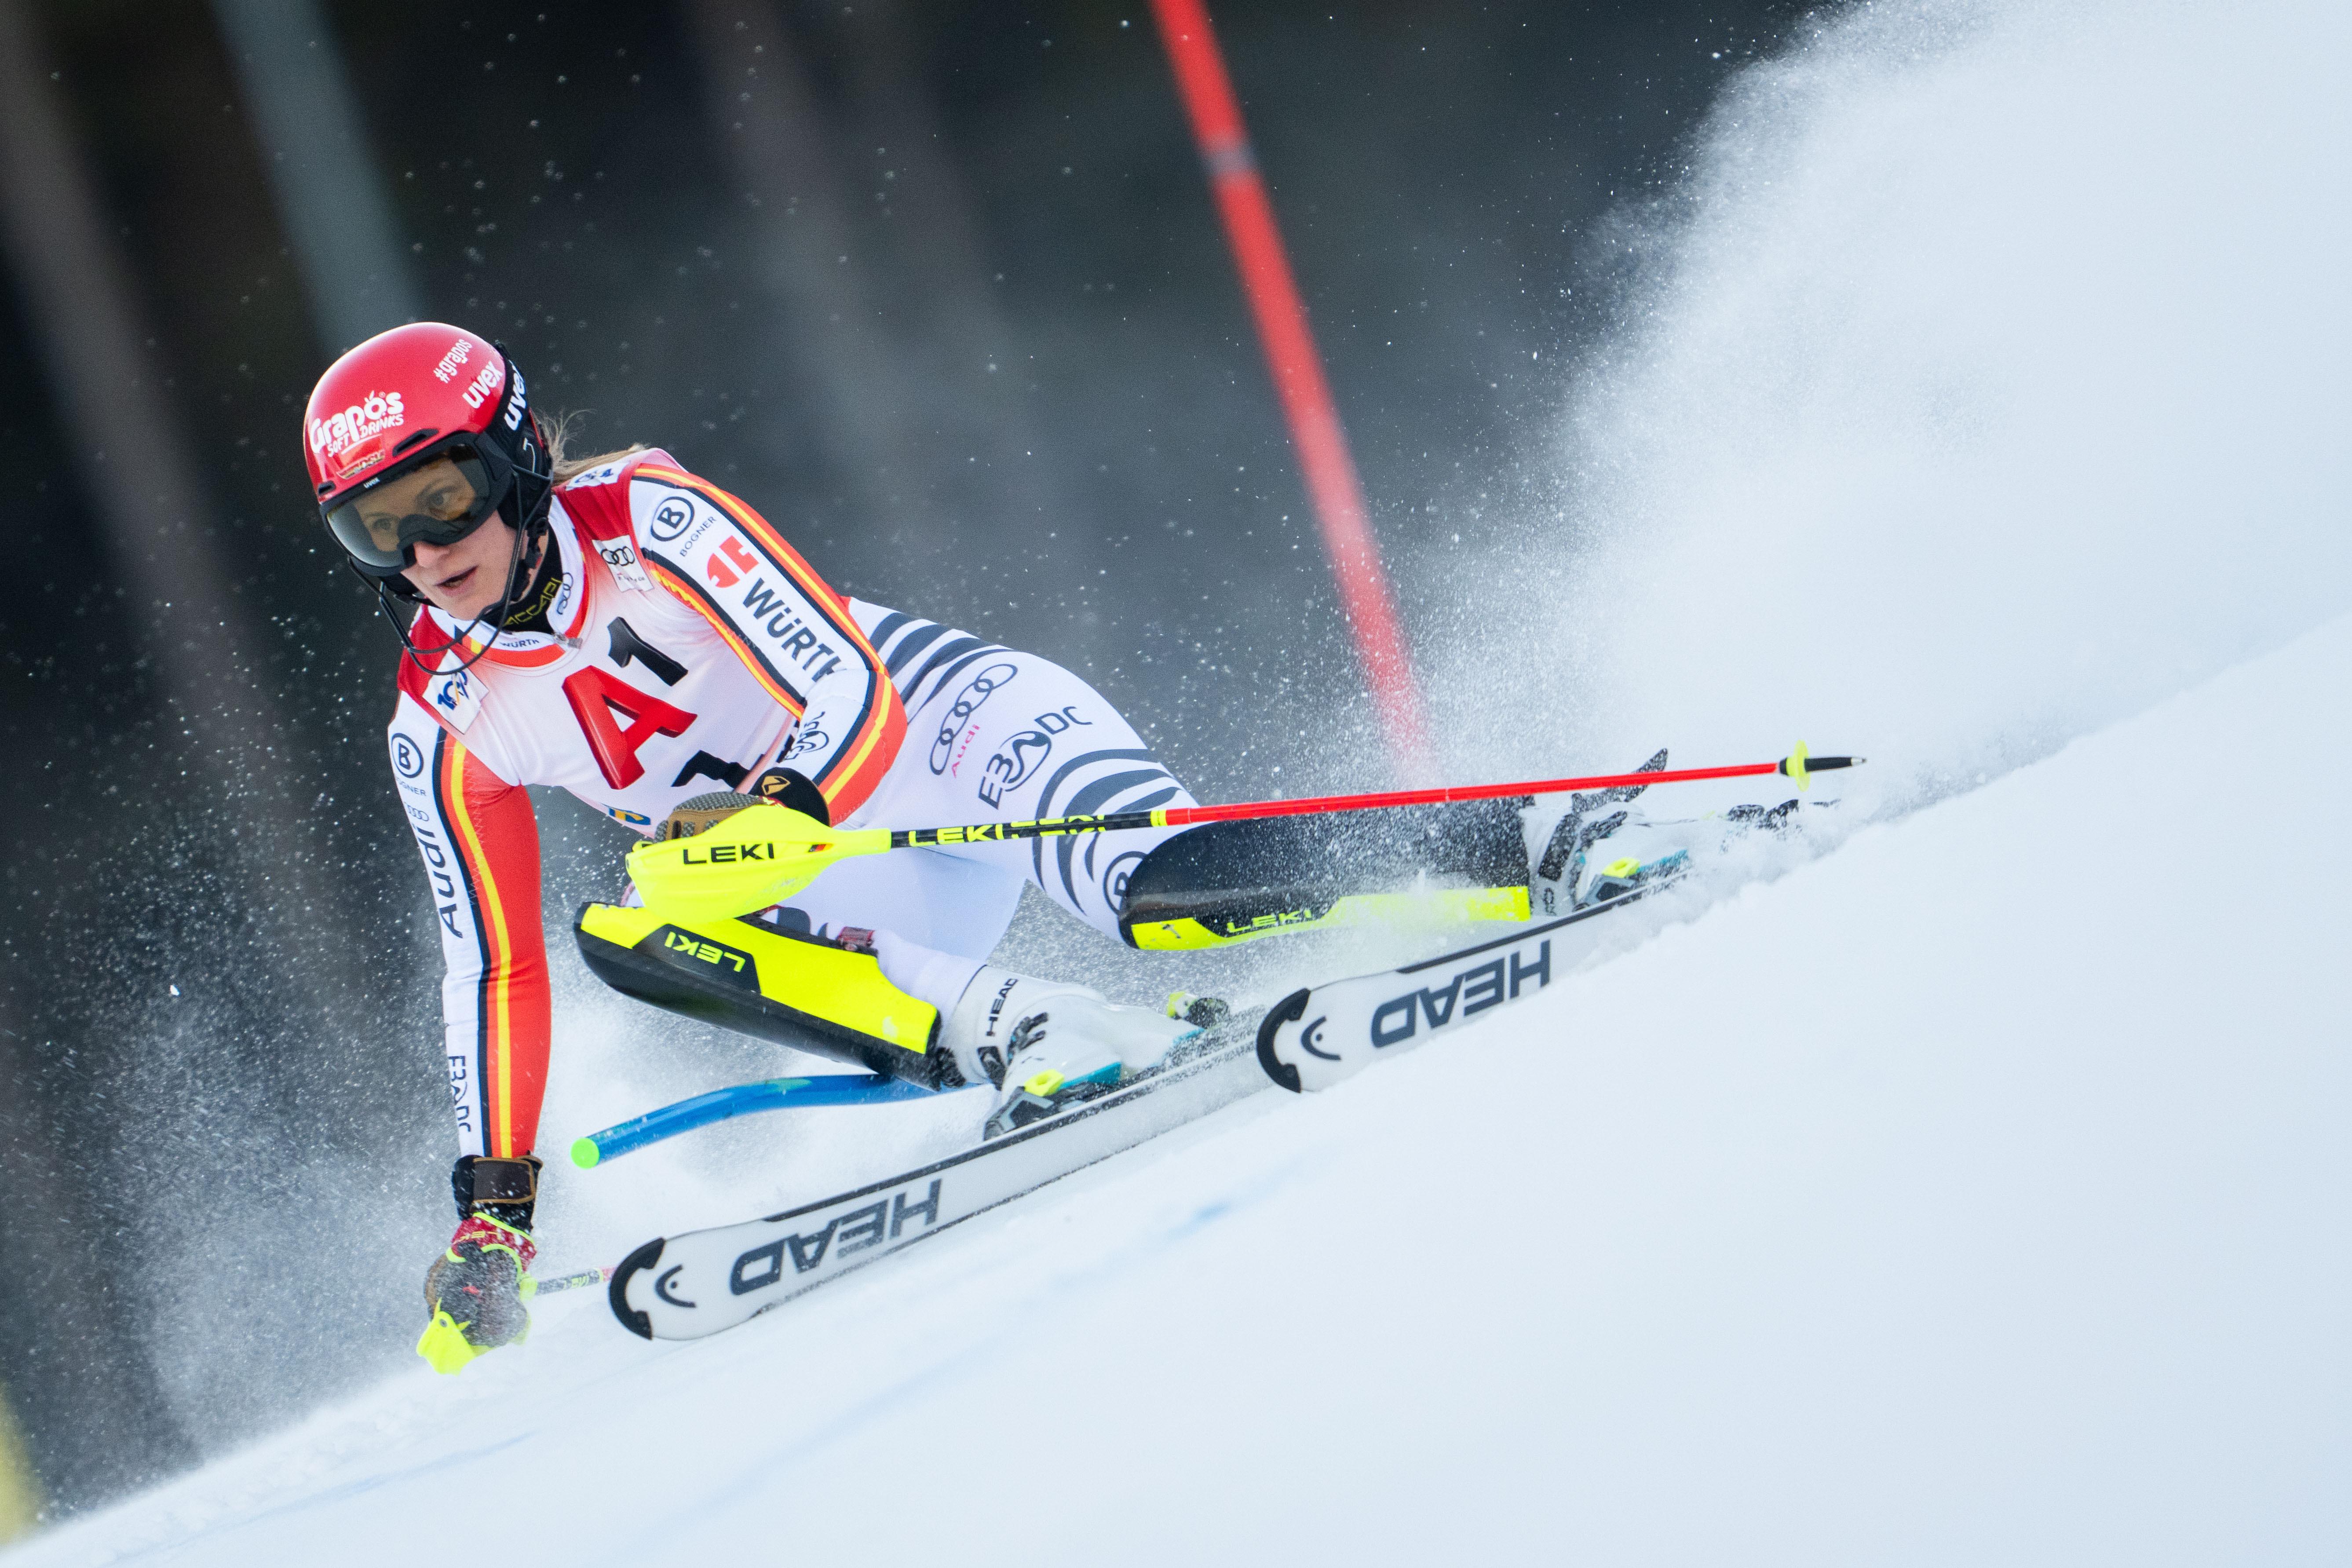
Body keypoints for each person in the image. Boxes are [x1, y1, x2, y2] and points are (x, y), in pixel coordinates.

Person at [303, 322, 1641, 1374]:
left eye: (446, 496)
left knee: (1162, 889)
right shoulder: (442, 720)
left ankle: (1537, 837)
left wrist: (780, 807)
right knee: (629, 934)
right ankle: (1040, 1031)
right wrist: (494, 1217)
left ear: (519, 456)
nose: (425, 551)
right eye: (378, 527)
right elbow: (492, 972)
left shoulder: (652, 520)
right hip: (840, 885)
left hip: (948, 737)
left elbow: (851, 688)